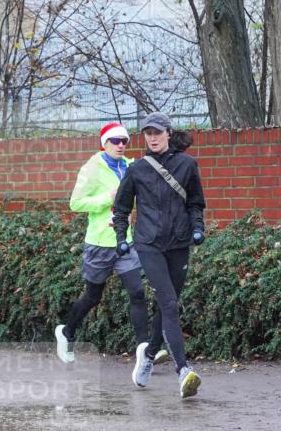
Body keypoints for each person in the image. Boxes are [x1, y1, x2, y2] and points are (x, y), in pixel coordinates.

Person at [54, 122, 165, 366]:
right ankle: (66, 332)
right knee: (93, 296)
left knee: (137, 293)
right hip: (98, 243)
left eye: (124, 141)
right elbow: (76, 203)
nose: (121, 145)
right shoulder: (92, 168)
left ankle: (146, 351)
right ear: (104, 143)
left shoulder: (129, 167)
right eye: (115, 141)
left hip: (124, 242)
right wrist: (107, 198)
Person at [112, 112, 206, 397]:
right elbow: (122, 208)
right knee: (169, 304)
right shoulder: (137, 169)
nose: (152, 138)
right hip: (149, 244)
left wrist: (198, 229)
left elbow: (195, 204)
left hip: (178, 244)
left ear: (168, 133)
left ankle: (149, 354)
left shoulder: (187, 165)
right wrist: (120, 237)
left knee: (168, 305)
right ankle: (183, 371)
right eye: (147, 133)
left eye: (157, 132)